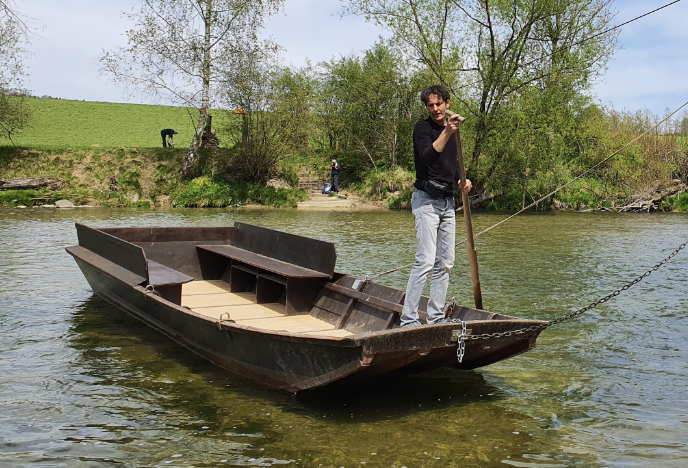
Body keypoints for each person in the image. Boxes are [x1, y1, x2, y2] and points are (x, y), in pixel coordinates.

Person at [400, 85, 472, 327]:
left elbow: (449, 167)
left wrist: (462, 181)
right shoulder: (422, 128)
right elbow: (428, 157)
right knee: (425, 260)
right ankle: (408, 319)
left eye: (439, 104)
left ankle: (436, 317)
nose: (435, 109)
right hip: (426, 200)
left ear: (447, 104)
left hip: (447, 201)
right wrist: (448, 132)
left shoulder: (453, 131)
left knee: (446, 262)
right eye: (430, 105)